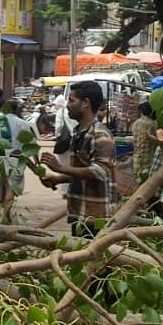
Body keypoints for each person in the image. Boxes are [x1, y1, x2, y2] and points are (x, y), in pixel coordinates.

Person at [39, 80, 118, 229]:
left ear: (85, 103)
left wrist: (60, 168)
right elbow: (83, 170)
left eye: (71, 100)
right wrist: (58, 179)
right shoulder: (78, 132)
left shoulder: (100, 135)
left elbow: (100, 172)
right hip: (80, 212)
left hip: (96, 217)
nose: (67, 105)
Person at [0, 99, 34, 221]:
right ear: (17, 109)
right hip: (16, 158)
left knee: (2, 185)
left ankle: (5, 214)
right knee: (11, 188)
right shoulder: (22, 123)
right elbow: (30, 144)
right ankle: (4, 217)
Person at [131, 101, 162, 184]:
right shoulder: (154, 124)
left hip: (137, 159)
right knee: (147, 183)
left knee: (138, 182)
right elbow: (162, 140)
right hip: (149, 160)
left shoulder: (135, 123)